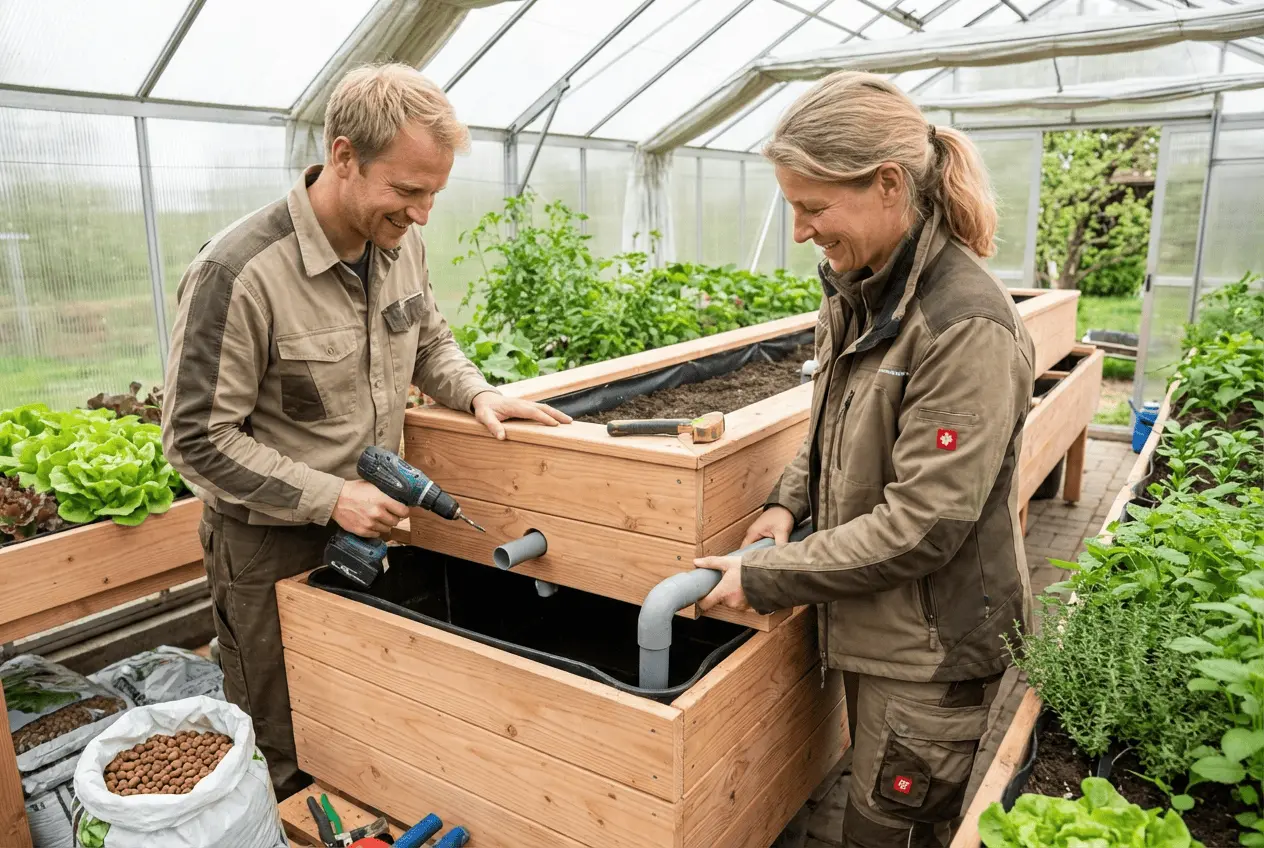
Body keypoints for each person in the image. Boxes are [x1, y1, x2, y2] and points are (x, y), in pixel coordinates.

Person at [160, 63, 570, 798]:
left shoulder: (398, 242)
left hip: (373, 536)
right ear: (344, 157)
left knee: (361, 722)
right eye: (408, 191)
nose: (422, 215)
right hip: (269, 551)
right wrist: (331, 498)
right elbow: (195, 440)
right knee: (282, 741)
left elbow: (431, 340)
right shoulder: (241, 272)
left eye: (434, 194)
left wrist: (478, 394)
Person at [694, 72, 1035, 847]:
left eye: (813, 207)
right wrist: (785, 504)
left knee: (889, 832)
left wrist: (765, 577)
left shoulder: (963, 326)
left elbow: (923, 527)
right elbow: (833, 432)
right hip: (878, 623)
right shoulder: (860, 290)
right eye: (793, 206)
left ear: (888, 185)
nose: (800, 230)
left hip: (930, 649)